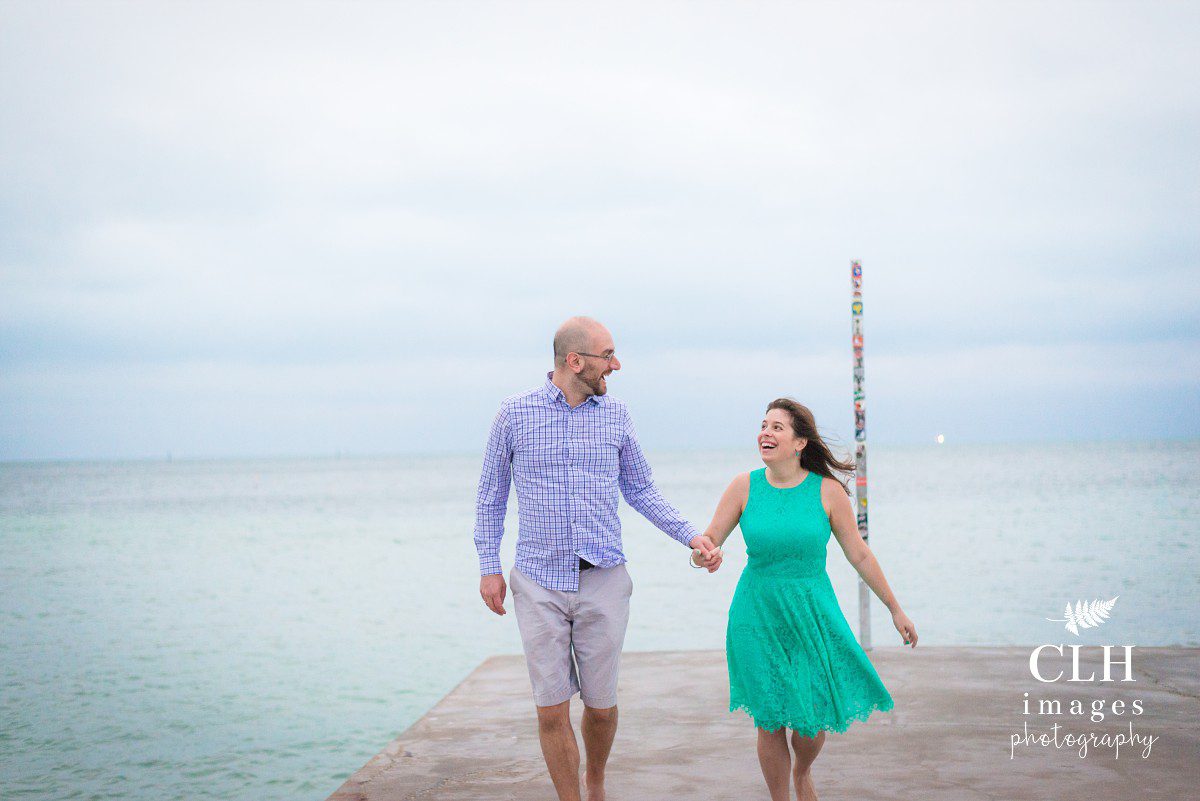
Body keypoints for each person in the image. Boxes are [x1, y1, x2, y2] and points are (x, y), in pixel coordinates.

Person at [473, 316, 719, 801]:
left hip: (604, 578)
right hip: (538, 580)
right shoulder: (513, 414)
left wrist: (691, 535)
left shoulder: (617, 415)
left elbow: (642, 488)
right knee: (550, 709)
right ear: (575, 360)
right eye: (608, 355)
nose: (616, 364)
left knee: (602, 708)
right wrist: (488, 567)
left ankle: (596, 779)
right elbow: (490, 496)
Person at [692, 398, 917, 801]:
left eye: (778, 427)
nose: (766, 432)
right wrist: (703, 555)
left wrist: (894, 608)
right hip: (756, 613)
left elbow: (859, 554)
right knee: (770, 717)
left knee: (811, 724)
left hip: (812, 611)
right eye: (764, 425)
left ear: (799, 442)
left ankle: (803, 772)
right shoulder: (744, 486)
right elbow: (709, 541)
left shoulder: (828, 491)